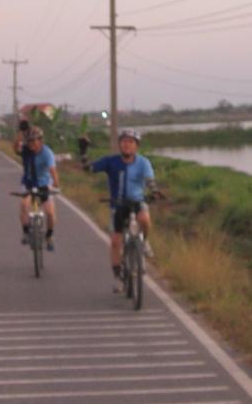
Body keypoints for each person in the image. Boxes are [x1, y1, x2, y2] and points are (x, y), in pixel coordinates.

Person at [79, 128, 159, 292]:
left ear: (136, 145)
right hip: (118, 205)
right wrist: (83, 151)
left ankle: (144, 241)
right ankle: (118, 277)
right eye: (124, 142)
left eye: (130, 142)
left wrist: (154, 191)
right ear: (119, 145)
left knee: (144, 219)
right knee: (116, 242)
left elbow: (149, 180)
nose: (126, 145)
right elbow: (88, 168)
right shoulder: (111, 161)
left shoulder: (143, 162)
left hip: (137, 201)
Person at [13, 125, 60, 251]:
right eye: (29, 141)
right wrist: (20, 133)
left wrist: (56, 184)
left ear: (40, 140)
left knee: (50, 213)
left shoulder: (47, 153)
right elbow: (16, 147)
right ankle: (26, 232)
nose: (32, 144)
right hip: (28, 183)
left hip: (44, 184)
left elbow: (52, 170)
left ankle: (49, 236)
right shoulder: (26, 151)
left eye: (34, 140)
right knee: (24, 205)